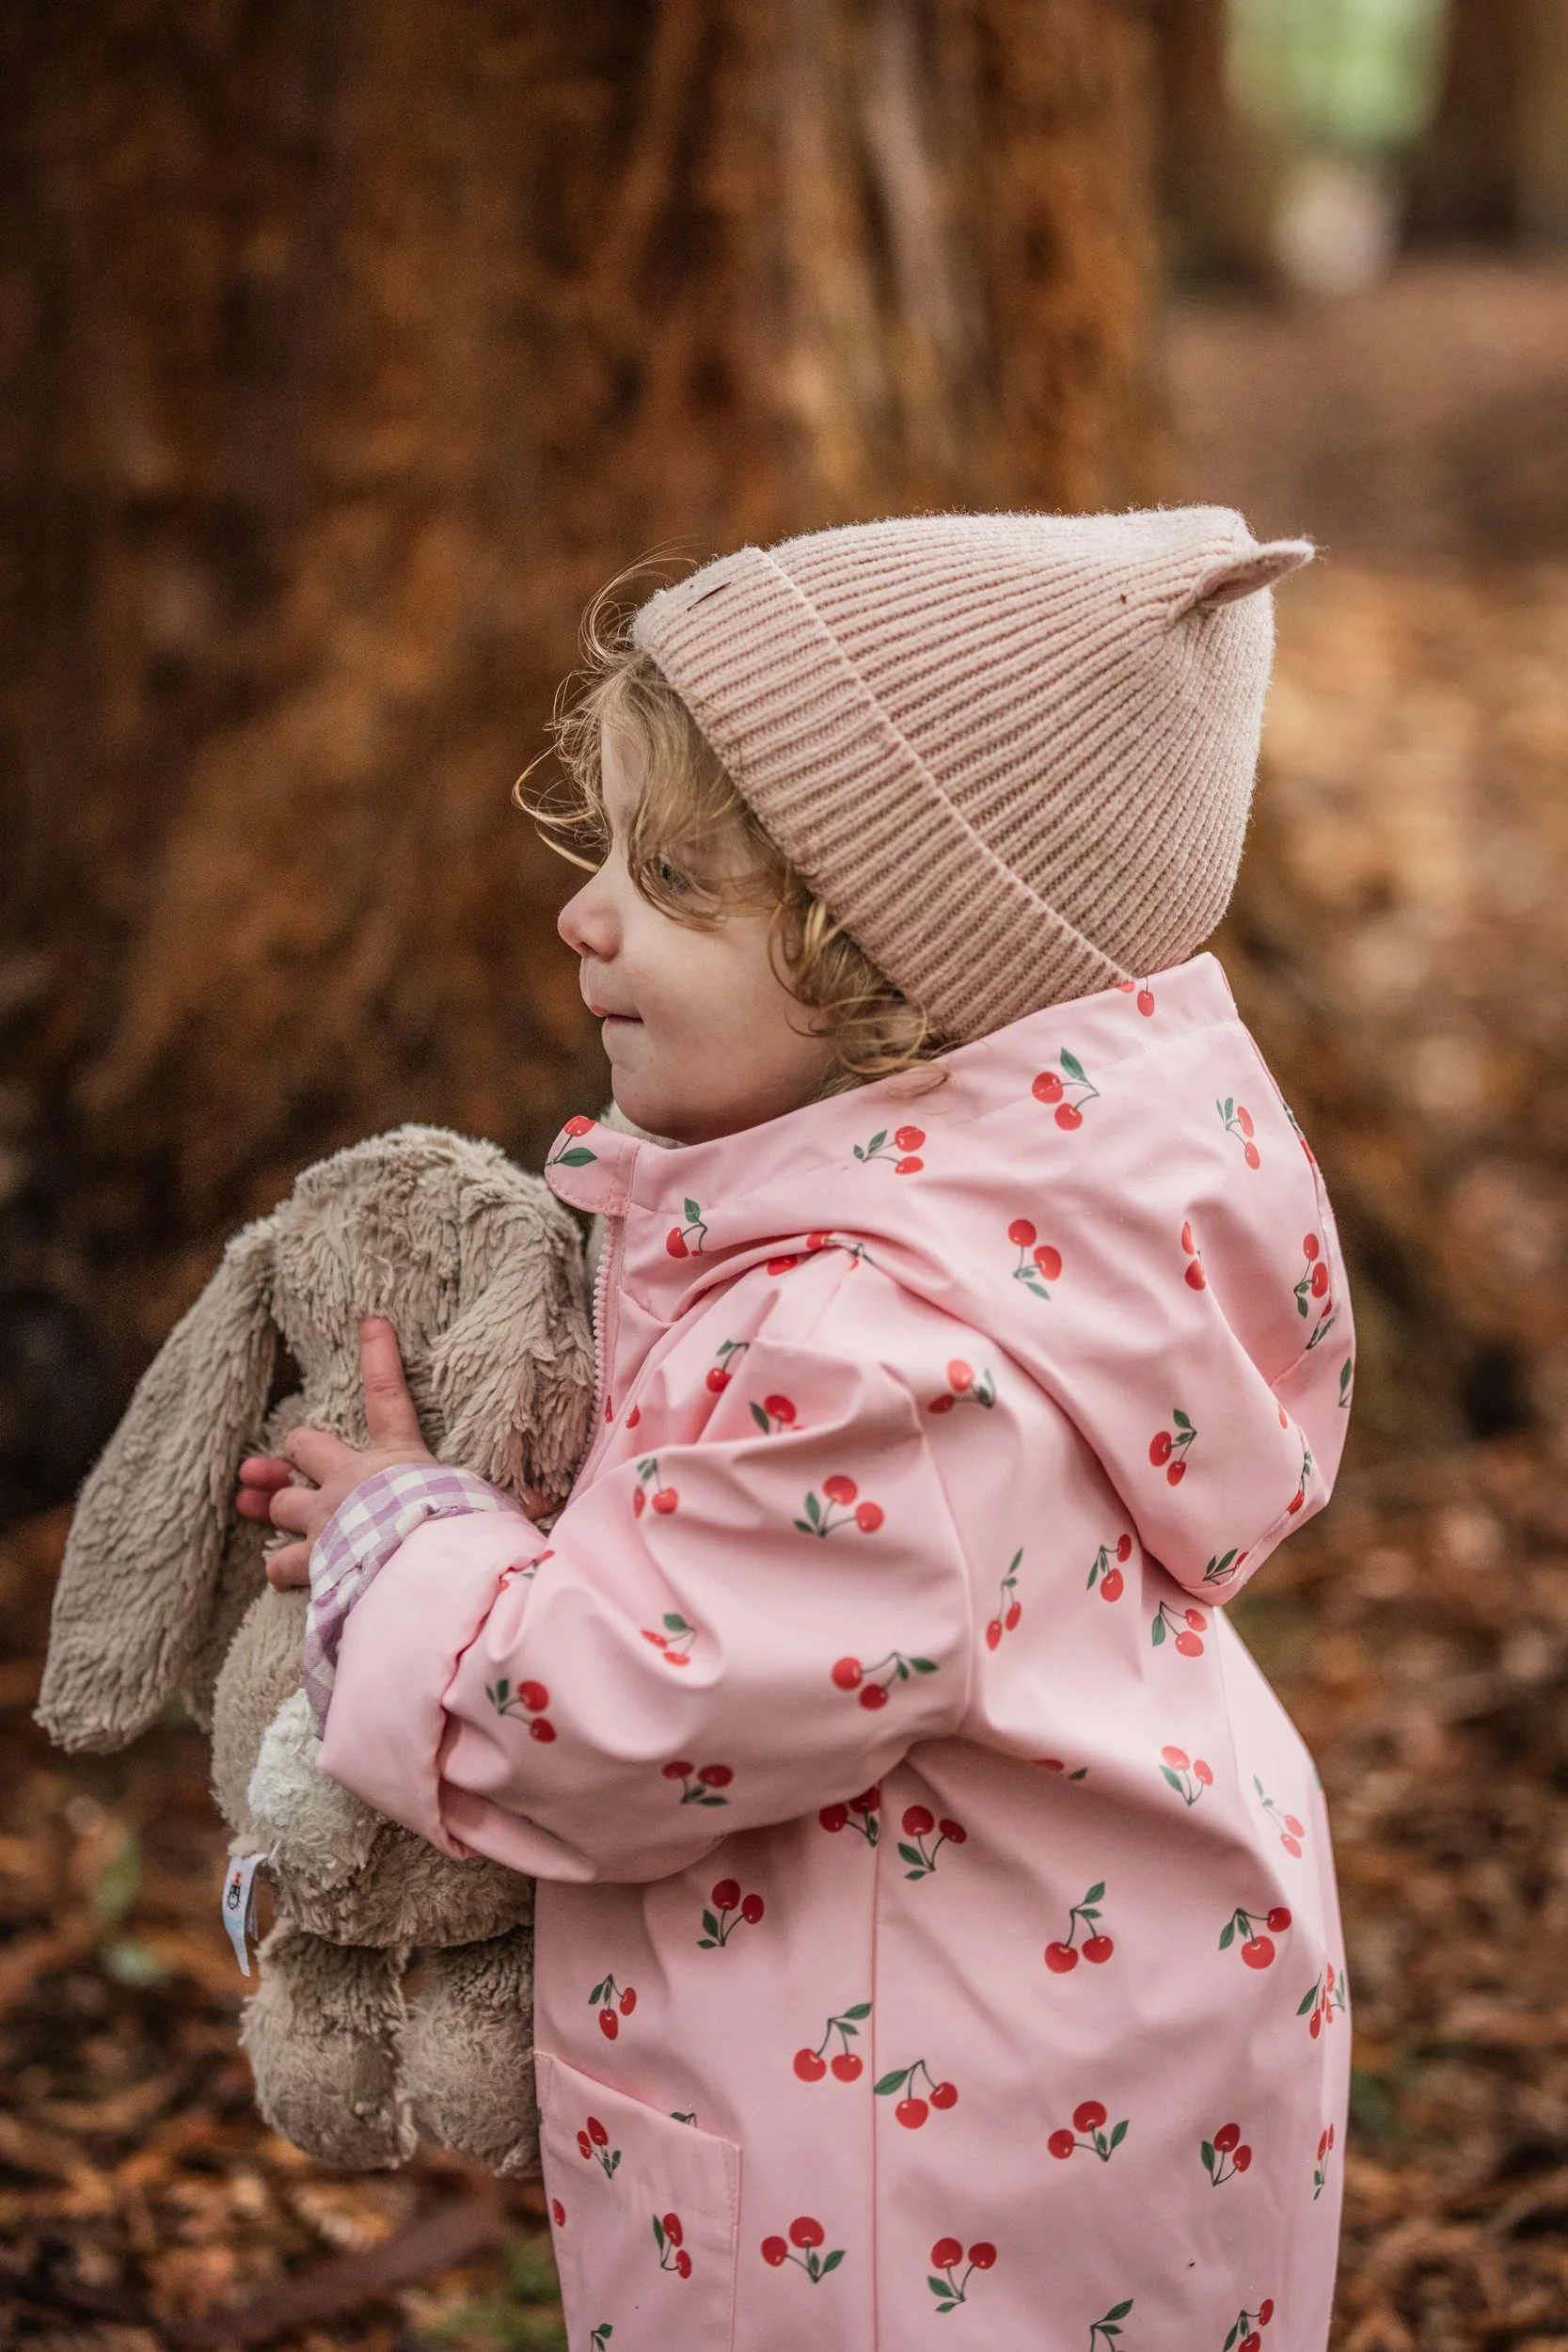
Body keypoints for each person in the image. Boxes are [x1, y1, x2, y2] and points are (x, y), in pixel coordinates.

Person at [238, 511, 1353, 2352]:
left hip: (910, 2205)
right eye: (600, 843)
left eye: (672, 874)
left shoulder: (853, 1339)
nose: (581, 910)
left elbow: (610, 1711)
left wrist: (405, 1549)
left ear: (884, 958)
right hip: (1069, 2090)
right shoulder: (1035, 1228)